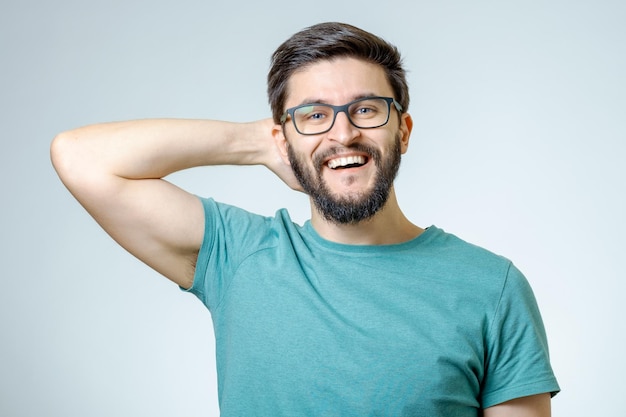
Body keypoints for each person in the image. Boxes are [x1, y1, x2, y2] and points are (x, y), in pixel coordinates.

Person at [51, 22, 559, 416]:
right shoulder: (239, 254)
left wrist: (301, 131)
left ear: (402, 131)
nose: (342, 133)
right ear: (282, 140)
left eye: (366, 110)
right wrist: (259, 143)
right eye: (314, 115)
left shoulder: (492, 286)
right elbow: (80, 157)